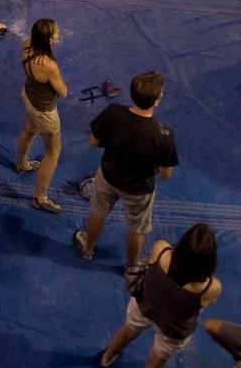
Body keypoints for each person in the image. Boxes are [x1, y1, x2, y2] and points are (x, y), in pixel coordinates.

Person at [98, 223, 223, 368]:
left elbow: (151, 266)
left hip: (145, 305)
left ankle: (106, 358)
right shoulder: (210, 287)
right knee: (156, 362)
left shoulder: (161, 250)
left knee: (127, 330)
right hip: (174, 328)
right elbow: (207, 303)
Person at [75, 71, 178, 265]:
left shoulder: (113, 112)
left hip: (108, 176)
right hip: (139, 189)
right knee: (137, 229)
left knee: (97, 213)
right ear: (157, 100)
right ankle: (132, 266)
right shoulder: (163, 134)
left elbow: (92, 141)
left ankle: (87, 247)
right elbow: (165, 174)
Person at [15, 19, 68, 213]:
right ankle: (40, 197)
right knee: (53, 153)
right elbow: (62, 91)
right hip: (44, 110)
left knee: (29, 130)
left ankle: (21, 164)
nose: (58, 32)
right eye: (55, 31)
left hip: (29, 96)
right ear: (48, 39)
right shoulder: (48, 65)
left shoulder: (28, 44)